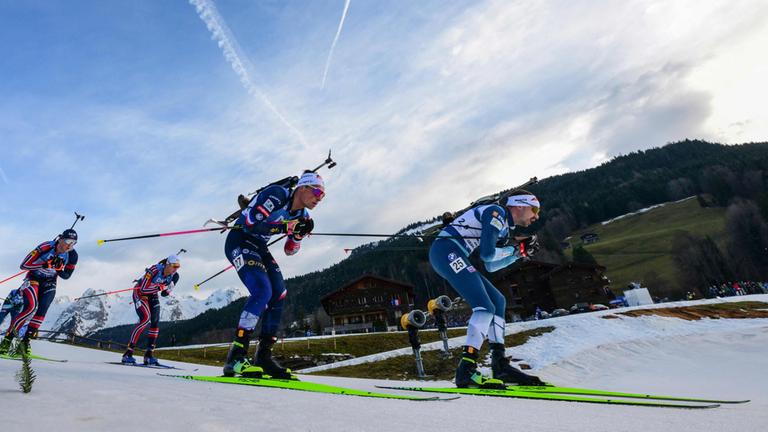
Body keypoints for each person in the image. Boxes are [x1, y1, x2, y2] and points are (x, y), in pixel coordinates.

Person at [429, 190, 544, 388]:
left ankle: (499, 364)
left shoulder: (503, 227)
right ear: (520, 205)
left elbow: (492, 266)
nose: (536, 216)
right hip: (446, 252)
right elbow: (488, 254)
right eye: (535, 209)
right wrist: (513, 249)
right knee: (484, 306)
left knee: (498, 301)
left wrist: (518, 254)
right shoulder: (496, 212)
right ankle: (466, 369)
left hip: (453, 253)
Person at [222, 171, 324, 378]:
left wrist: (297, 235)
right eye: (316, 192)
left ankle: (264, 356)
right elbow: (250, 222)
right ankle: (235, 357)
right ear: (302, 187)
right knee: (262, 290)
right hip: (240, 240)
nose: (318, 198)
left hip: (259, 246)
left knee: (279, 293)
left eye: (323, 196)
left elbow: (290, 250)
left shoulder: (303, 216)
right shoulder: (277, 194)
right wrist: (286, 226)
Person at [0, 229, 79, 356]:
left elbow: (67, 275)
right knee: (30, 308)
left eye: (73, 243)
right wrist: (43, 265)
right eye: (68, 241)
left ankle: (25, 343)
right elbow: (24, 265)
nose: (69, 246)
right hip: (33, 278)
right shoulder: (46, 246)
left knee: (42, 311)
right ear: (60, 239)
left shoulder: (72, 255)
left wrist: (58, 269)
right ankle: (7, 341)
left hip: (49, 283)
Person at [121, 255, 181, 365]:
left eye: (178, 267)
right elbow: (143, 288)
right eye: (174, 266)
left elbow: (164, 294)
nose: (176, 269)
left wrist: (169, 289)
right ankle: (128, 353)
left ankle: (149, 355)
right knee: (145, 319)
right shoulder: (154, 270)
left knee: (155, 322)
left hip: (152, 295)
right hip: (140, 293)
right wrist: (159, 287)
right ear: (167, 264)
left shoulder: (175, 276)